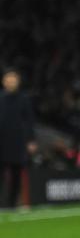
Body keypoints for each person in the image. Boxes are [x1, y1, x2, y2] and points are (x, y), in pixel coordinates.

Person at [0, 69, 36, 209]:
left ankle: (11, 205)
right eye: (8, 80)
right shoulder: (0, 98)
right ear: (4, 82)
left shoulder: (24, 99)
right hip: (1, 143)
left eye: (13, 80)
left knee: (16, 176)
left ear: (18, 82)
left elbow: (29, 121)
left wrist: (31, 140)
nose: (11, 82)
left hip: (17, 143)